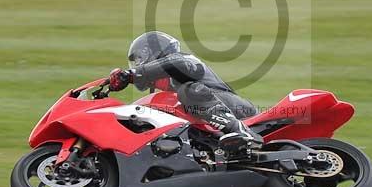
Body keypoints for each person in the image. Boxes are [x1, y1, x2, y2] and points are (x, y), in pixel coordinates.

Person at [107, 31, 263, 153]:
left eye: (139, 59)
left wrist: (133, 74)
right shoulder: (168, 90)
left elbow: (177, 65)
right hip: (214, 121)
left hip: (237, 109)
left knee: (188, 91)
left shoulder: (183, 59)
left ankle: (241, 131)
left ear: (152, 52)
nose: (138, 64)